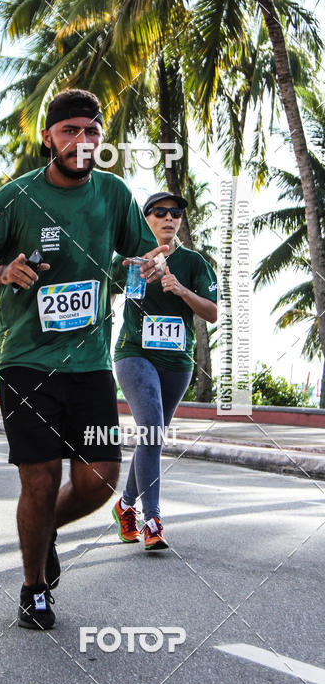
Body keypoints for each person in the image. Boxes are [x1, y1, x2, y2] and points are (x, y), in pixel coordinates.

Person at [0, 89, 167, 630]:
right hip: (26, 363)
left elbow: (141, 255)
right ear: (49, 137)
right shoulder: (16, 197)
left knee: (99, 481)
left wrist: (148, 269)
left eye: (92, 132)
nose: (82, 141)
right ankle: (32, 589)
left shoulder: (114, 194)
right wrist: (0, 273)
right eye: (70, 131)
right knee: (39, 480)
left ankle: (43, 535)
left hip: (89, 363)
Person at [111, 192, 218, 550]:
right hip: (133, 354)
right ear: (147, 220)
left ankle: (125, 505)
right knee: (153, 428)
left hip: (176, 362)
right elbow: (100, 287)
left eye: (175, 213)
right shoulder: (130, 260)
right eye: (160, 212)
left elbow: (213, 312)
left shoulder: (193, 262)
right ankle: (151, 519)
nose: (169, 218)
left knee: (150, 438)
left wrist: (182, 290)